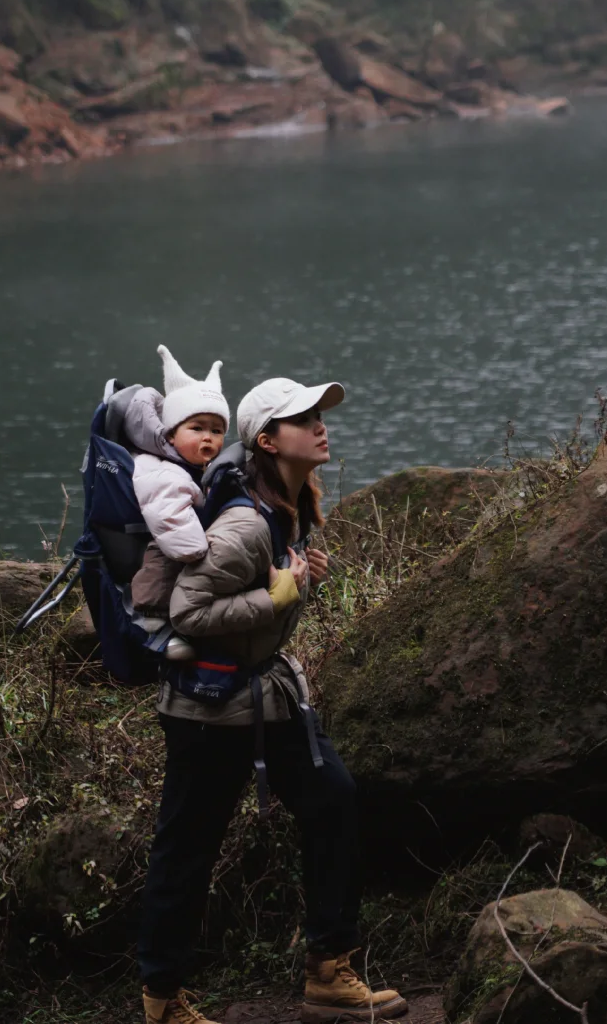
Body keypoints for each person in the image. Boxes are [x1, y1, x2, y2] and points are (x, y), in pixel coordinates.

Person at [138, 376, 409, 1024]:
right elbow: (188, 609)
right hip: (208, 712)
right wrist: (279, 596)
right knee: (188, 849)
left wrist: (299, 582)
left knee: (333, 800)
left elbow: (259, 604)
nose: (320, 425)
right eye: (302, 418)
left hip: (263, 696)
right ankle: (162, 1002)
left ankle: (328, 971)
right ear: (266, 440)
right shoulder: (242, 526)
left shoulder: (288, 505)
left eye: (320, 414)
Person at [125, 344, 230, 662]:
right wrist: (207, 551)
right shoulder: (165, 473)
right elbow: (172, 523)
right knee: (163, 557)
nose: (207, 437)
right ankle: (153, 624)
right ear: (170, 435)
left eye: (216, 430)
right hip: (160, 562)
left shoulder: (187, 466)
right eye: (196, 428)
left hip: (170, 541)